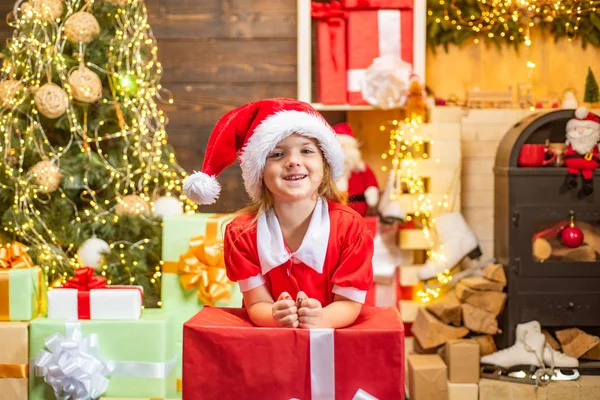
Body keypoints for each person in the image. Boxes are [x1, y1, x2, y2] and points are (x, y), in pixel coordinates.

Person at [183, 98, 374, 329]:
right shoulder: (242, 232)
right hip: (270, 351)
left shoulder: (351, 228)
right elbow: (257, 304)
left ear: (325, 165)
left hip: (333, 352)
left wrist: (322, 318)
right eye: (277, 154)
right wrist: (274, 315)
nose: (293, 161)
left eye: (306, 150)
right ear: (259, 171)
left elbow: (349, 304)